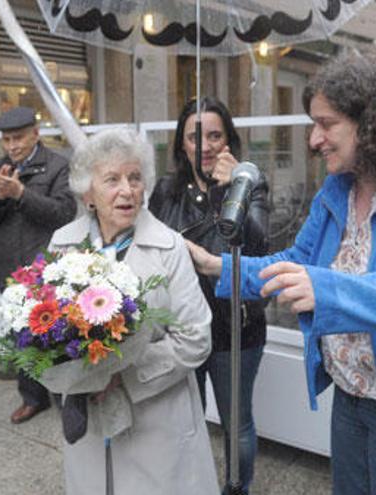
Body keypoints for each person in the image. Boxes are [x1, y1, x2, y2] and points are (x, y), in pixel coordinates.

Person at [187, 54, 376, 494]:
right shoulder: (340, 187)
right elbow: (298, 261)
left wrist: (329, 289)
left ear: (371, 121)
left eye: (326, 124)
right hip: (351, 396)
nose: (314, 139)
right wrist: (217, 265)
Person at [49, 128, 219, 495]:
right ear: (87, 192)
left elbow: (196, 337)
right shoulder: (63, 243)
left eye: (135, 177)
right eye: (112, 179)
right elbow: (48, 330)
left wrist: (118, 374)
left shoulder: (168, 246)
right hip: (89, 416)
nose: (127, 190)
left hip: (155, 416)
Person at [149, 96, 268, 494]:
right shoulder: (166, 191)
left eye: (215, 135)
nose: (206, 146)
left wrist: (227, 192)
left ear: (229, 139)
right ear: (181, 144)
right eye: (194, 137)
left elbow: (255, 249)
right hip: (182, 326)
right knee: (186, 417)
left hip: (236, 327)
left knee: (238, 425)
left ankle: (239, 490)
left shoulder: (251, 181)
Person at [0, 106, 76, 424]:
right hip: (9, 269)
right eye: (6, 139)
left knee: (57, 332)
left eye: (18, 138)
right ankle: (32, 397)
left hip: (46, 269)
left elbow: (63, 213)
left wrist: (20, 194)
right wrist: (0, 198)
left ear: (35, 134)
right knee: (21, 335)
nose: (12, 146)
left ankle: (65, 394)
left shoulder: (59, 166)